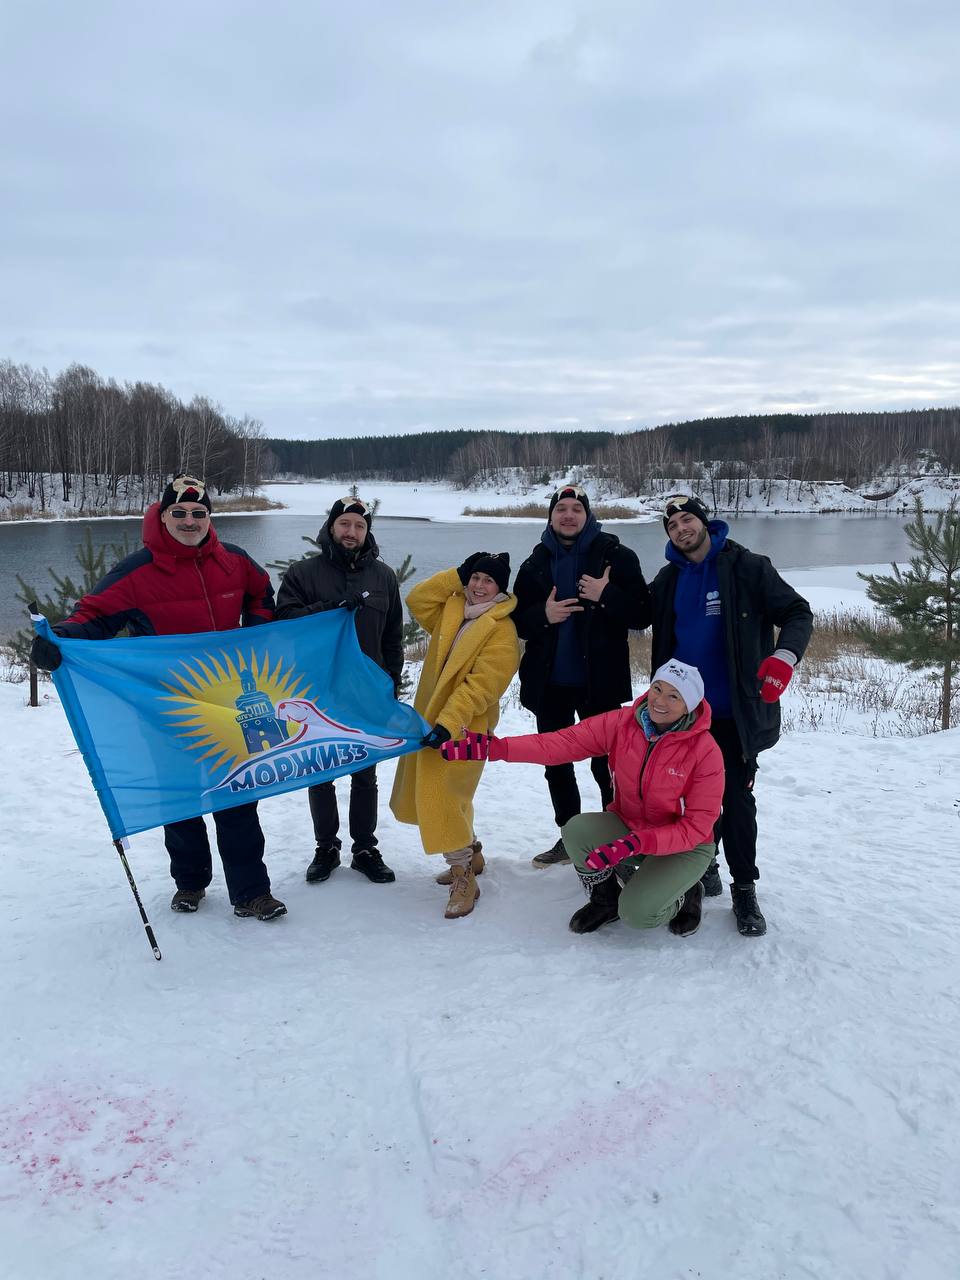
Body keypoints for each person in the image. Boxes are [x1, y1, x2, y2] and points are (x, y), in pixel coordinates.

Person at [30, 475, 287, 922]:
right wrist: (59, 639)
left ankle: (251, 891)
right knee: (180, 796)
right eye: (179, 513)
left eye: (199, 513)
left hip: (225, 704)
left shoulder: (234, 561)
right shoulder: (137, 571)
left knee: (238, 796)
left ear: (209, 518)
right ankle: (190, 882)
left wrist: (255, 637)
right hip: (165, 707)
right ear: (163, 516)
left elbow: (261, 593)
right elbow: (95, 615)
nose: (190, 521)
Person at [441, 659, 723, 938]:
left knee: (638, 914)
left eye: (674, 696)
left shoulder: (705, 752)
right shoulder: (623, 723)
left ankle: (687, 894)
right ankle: (606, 900)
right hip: (630, 827)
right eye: (657, 688)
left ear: (689, 706)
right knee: (576, 832)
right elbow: (562, 743)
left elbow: (696, 827)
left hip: (685, 846)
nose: (659, 701)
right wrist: (498, 749)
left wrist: (638, 842)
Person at [651, 494, 813, 937]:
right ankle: (703, 867)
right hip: (683, 716)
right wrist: (603, 594)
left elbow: (797, 612)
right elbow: (636, 614)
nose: (681, 529)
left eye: (687, 519)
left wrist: (784, 656)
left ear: (705, 522)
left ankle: (744, 889)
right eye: (672, 526)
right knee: (686, 801)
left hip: (734, 714)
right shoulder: (667, 579)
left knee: (736, 801)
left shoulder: (747, 567)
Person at [512, 483, 651, 868]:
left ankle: (616, 839)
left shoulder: (617, 557)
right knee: (556, 765)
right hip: (550, 685)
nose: (569, 515)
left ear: (588, 516)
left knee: (609, 766)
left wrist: (607, 594)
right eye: (562, 509)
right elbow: (518, 622)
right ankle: (570, 836)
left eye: (576, 509)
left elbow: (643, 614)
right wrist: (543, 615)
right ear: (551, 517)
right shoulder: (535, 563)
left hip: (600, 684)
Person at [275, 495, 403, 886]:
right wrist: (331, 608)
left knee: (365, 774)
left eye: (359, 526)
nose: (351, 532)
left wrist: (390, 685)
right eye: (344, 524)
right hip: (318, 692)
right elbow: (285, 621)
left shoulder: (383, 577)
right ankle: (326, 847)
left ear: (367, 532)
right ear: (331, 527)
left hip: (366, 693)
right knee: (321, 772)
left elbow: (393, 637)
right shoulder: (303, 573)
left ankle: (364, 848)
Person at [390, 553, 519, 919]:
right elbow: (418, 600)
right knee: (454, 797)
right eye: (474, 577)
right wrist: (455, 576)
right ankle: (472, 854)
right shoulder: (454, 610)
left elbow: (481, 687)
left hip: (463, 729)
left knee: (443, 798)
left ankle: (464, 877)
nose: (479, 586)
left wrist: (448, 723)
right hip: (432, 721)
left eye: (488, 581)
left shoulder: (501, 630)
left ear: (500, 588)